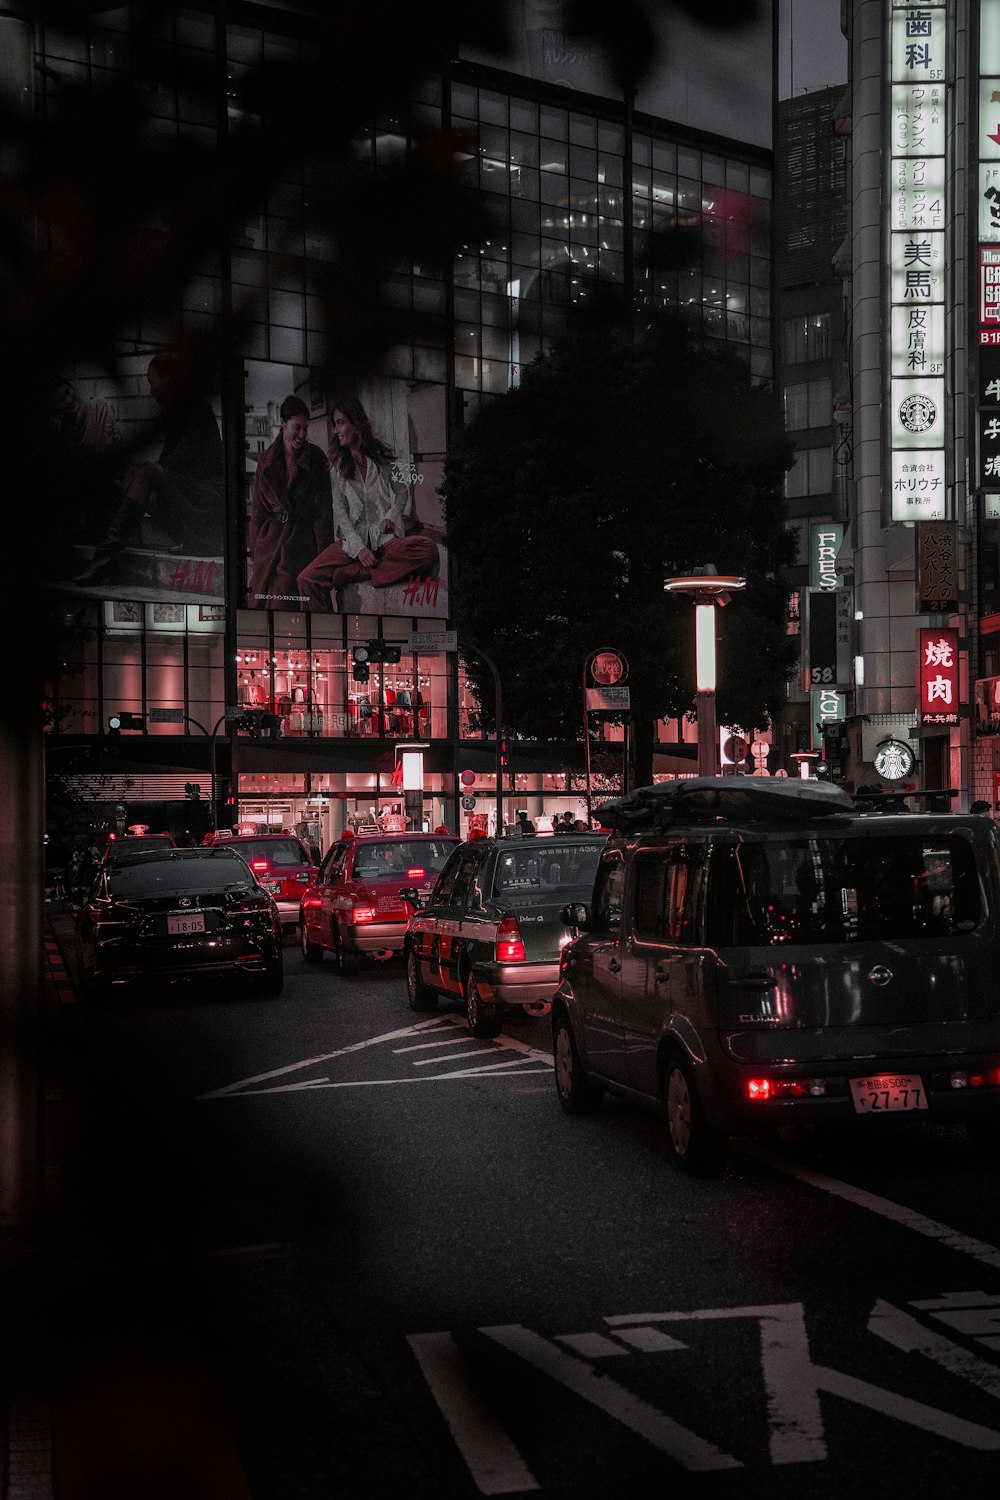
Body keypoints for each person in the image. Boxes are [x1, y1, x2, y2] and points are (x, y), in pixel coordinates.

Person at [76, 351, 224, 585]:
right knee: (139, 474)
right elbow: (169, 461)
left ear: (170, 380)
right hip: (191, 500)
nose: (151, 390)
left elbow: (180, 461)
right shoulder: (177, 414)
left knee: (146, 473)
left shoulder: (197, 409)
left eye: (153, 383)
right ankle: (103, 549)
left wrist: (146, 472)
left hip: (208, 504)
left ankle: (102, 559)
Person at [297, 396, 439, 611]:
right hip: (353, 541)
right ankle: (326, 636)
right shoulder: (337, 467)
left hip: (385, 542)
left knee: (427, 550)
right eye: (335, 424)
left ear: (356, 425)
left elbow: (402, 492)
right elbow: (340, 510)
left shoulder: (383, 458)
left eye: (340, 422)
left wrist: (392, 516)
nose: (336, 430)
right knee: (306, 579)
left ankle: (356, 572)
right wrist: (360, 549)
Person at [248, 395, 333, 606]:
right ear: (283, 424)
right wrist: (254, 549)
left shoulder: (315, 458)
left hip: (300, 544)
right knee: (261, 599)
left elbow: (323, 513)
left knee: (283, 596)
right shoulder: (266, 460)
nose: (302, 435)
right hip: (269, 542)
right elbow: (258, 510)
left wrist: (324, 556)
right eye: (297, 427)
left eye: (306, 429)